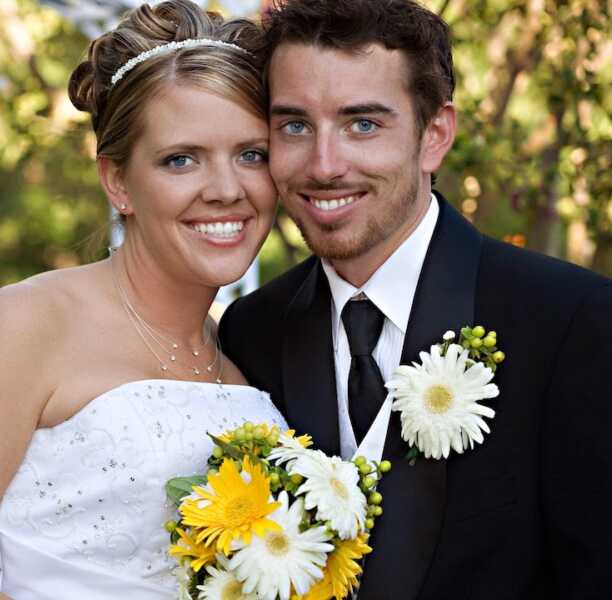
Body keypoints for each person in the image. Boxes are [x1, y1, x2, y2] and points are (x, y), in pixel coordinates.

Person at [0, 2, 285, 599]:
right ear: (118, 181)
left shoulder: (241, 353)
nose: (226, 189)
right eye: (180, 159)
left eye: (251, 154)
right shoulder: (27, 325)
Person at [219, 0, 612, 598]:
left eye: (363, 124)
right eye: (295, 125)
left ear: (435, 136)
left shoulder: (573, 321)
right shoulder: (251, 331)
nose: (325, 166)